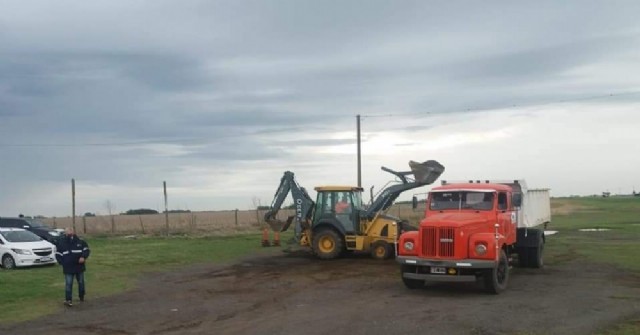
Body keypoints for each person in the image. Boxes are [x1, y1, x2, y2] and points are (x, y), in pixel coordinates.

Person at [55, 227, 90, 307]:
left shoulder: (81, 241)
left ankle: (81, 296)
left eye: (70, 232)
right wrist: (62, 262)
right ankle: (68, 300)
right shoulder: (62, 243)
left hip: (79, 266)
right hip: (68, 267)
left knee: (81, 282)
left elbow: (86, 250)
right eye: (67, 232)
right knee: (68, 283)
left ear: (73, 232)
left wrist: (83, 257)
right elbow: (58, 254)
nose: (68, 233)